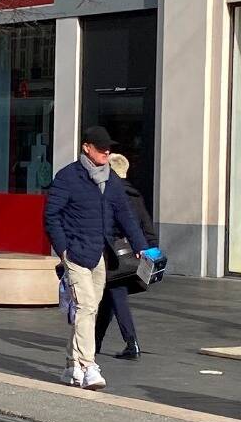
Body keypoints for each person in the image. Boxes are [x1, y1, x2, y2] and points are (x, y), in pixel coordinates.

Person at [43, 126, 148, 391]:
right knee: (87, 306)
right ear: (86, 148)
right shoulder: (68, 177)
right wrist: (63, 249)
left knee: (87, 309)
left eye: (108, 148)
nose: (106, 152)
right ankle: (89, 366)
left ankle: (71, 365)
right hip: (76, 253)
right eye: (101, 148)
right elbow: (51, 215)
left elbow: (124, 213)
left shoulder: (110, 179)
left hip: (101, 254)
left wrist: (141, 246)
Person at [94, 152, 160, 360]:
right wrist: (151, 250)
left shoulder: (109, 194)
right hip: (133, 255)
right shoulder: (136, 195)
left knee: (116, 294)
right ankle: (95, 343)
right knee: (109, 298)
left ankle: (131, 343)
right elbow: (147, 226)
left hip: (113, 255)